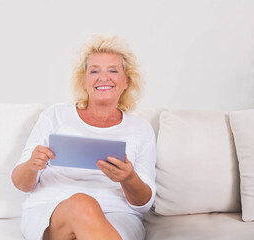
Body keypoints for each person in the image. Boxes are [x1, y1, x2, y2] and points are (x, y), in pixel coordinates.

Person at [11, 34, 156, 240]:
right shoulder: (56, 115)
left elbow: (143, 203)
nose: (103, 77)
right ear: (84, 80)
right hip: (54, 212)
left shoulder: (140, 130)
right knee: (82, 204)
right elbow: (20, 183)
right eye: (94, 71)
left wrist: (129, 178)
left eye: (113, 70)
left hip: (118, 216)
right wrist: (32, 165)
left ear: (126, 81)